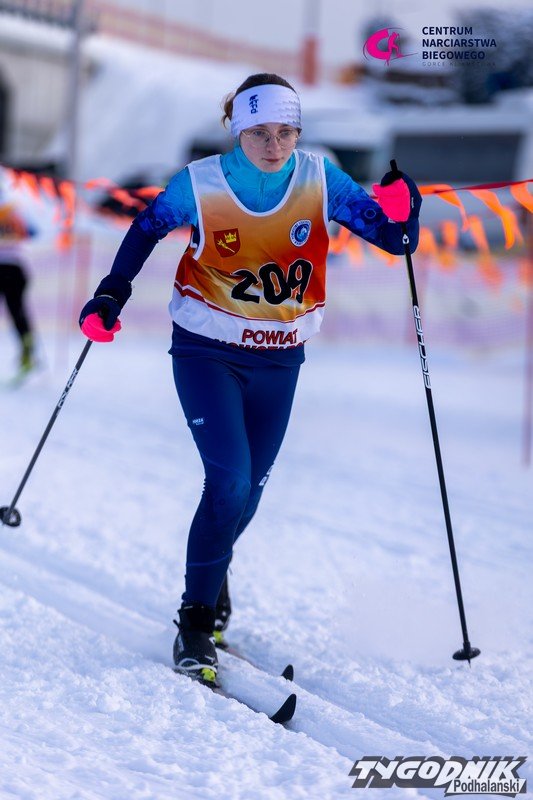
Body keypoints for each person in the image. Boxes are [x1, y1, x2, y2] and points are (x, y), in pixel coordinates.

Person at [79, 73, 421, 686]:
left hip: (281, 359)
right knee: (230, 478)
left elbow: (397, 242)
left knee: (248, 494)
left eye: (286, 132)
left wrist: (405, 206)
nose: (274, 145)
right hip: (207, 352)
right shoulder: (201, 183)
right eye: (260, 132)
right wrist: (111, 294)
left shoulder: (321, 180)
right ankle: (195, 623)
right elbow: (146, 228)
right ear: (237, 129)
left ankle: (212, 575)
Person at [0, 186, 36, 377]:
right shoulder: (14, 211)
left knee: (16, 310)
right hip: (17, 267)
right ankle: (28, 351)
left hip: (6, 266)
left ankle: (28, 352)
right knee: (17, 311)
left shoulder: (12, 210)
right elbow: (33, 232)